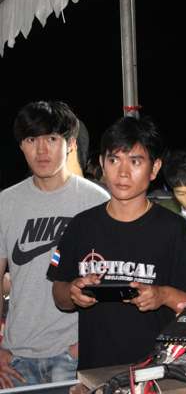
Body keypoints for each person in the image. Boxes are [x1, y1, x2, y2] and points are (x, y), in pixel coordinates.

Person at [47, 117, 186, 370]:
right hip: (96, 371)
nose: (122, 172)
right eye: (114, 160)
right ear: (102, 164)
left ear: (154, 168)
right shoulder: (81, 225)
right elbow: (59, 294)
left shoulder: (175, 230)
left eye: (135, 161)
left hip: (159, 372)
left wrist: (163, 295)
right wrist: (72, 292)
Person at [0, 101, 109, 388]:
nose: (41, 150)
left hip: (73, 353)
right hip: (16, 357)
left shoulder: (97, 201)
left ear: (70, 143)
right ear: (21, 146)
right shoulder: (5, 203)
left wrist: (87, 345)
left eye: (51, 139)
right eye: (31, 140)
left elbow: (114, 278)